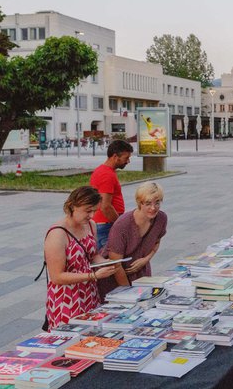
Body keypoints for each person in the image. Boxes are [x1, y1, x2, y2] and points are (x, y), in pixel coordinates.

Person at [44, 186, 117, 330]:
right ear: (72, 207)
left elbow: (93, 255)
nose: (92, 215)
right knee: (69, 341)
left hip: (89, 293)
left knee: (91, 336)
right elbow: (56, 277)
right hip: (66, 299)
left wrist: (107, 263)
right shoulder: (57, 234)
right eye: (88, 210)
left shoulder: (90, 225)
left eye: (94, 211)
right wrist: (93, 275)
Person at [98, 182, 168, 299]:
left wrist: (146, 259)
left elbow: (157, 240)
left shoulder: (161, 218)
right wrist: (129, 294)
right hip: (115, 277)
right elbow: (115, 264)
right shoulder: (122, 225)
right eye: (148, 203)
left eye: (157, 203)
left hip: (140, 274)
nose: (153, 208)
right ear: (139, 203)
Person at [90, 139, 133, 250]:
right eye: (126, 158)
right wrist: (120, 225)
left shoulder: (104, 171)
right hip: (105, 225)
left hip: (104, 224)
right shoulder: (106, 175)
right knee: (109, 261)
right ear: (115, 156)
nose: (128, 161)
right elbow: (106, 206)